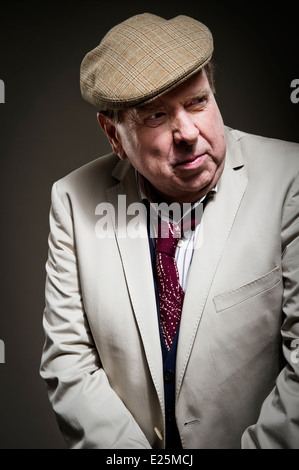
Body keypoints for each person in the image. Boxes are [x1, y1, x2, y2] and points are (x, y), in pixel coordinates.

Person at [40, 13, 299, 449]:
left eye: (198, 101)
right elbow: (69, 363)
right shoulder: (72, 200)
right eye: (157, 115)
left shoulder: (291, 178)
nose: (188, 133)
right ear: (114, 135)